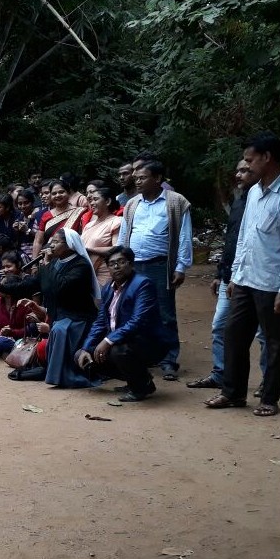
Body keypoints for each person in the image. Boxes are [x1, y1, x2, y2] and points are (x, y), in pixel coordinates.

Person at [205, 133, 280, 416]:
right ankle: (233, 393)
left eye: (250, 160)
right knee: (234, 334)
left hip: (272, 282)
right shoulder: (253, 193)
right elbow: (244, 237)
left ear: (267, 158)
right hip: (246, 278)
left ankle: (269, 399)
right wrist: (235, 275)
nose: (246, 166)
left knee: (274, 342)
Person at [188, 159, 266, 391]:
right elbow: (234, 241)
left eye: (245, 170)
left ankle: (267, 382)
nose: (240, 174)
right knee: (220, 326)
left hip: (259, 277)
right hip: (230, 276)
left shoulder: (265, 201)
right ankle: (221, 373)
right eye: (238, 170)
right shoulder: (241, 200)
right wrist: (219, 273)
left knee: (263, 334)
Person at [117, 160, 193, 381]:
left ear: (158, 178)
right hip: (134, 266)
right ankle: (143, 356)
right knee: (134, 312)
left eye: (142, 178)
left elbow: (185, 237)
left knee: (165, 313)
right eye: (136, 178)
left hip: (160, 265)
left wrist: (181, 266)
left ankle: (169, 360)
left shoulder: (176, 202)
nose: (137, 181)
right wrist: (121, 262)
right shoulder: (132, 204)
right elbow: (124, 235)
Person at [1, 228, 99, 387]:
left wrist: (47, 264)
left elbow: (61, 286)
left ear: (69, 245)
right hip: (59, 315)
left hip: (77, 317)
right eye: (51, 241)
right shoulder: (53, 263)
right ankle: (56, 373)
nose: (51, 245)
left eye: (55, 242)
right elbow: (32, 283)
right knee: (58, 328)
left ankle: (67, 374)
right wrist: (6, 288)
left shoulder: (81, 265)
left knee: (60, 329)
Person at [77, 246, 171, 401]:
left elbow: (138, 320)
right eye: (112, 263)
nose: (116, 266)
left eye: (121, 262)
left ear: (131, 264)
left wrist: (107, 341)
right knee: (82, 355)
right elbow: (101, 321)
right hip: (123, 341)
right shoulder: (108, 288)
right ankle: (140, 379)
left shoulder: (143, 284)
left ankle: (140, 388)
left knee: (118, 351)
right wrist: (86, 348)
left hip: (149, 343)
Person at [31, 178, 87, 259]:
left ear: (68, 193)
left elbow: (83, 238)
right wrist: (34, 264)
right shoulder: (46, 215)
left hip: (71, 258)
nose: (57, 195)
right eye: (54, 193)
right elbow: (38, 241)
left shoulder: (80, 212)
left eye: (61, 192)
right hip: (48, 258)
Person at [80, 182, 122, 288]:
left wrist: (89, 249)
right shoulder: (88, 225)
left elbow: (117, 249)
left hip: (104, 275)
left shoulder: (116, 221)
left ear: (107, 201)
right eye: (90, 200)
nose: (92, 203)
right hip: (84, 273)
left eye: (96, 199)